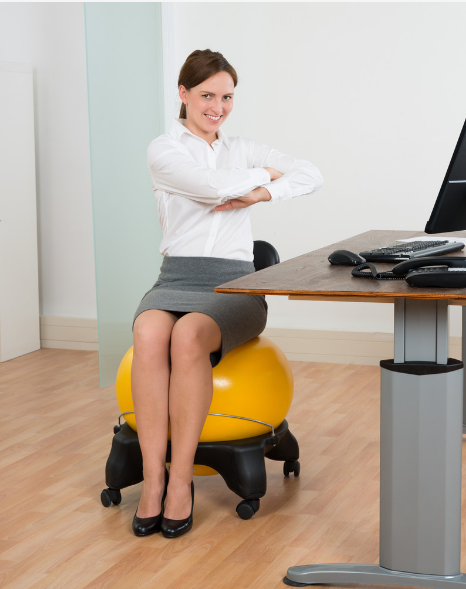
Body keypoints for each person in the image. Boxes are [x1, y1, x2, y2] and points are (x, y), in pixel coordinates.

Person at [130, 49, 323, 539]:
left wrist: (260, 193)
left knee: (189, 334)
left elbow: (310, 173)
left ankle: (181, 481)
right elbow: (207, 187)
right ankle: (153, 479)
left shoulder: (244, 148)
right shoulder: (164, 150)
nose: (217, 106)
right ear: (183, 94)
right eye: (207, 95)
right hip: (175, 276)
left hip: (234, 283)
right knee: (149, 331)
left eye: (227, 96)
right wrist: (262, 177)